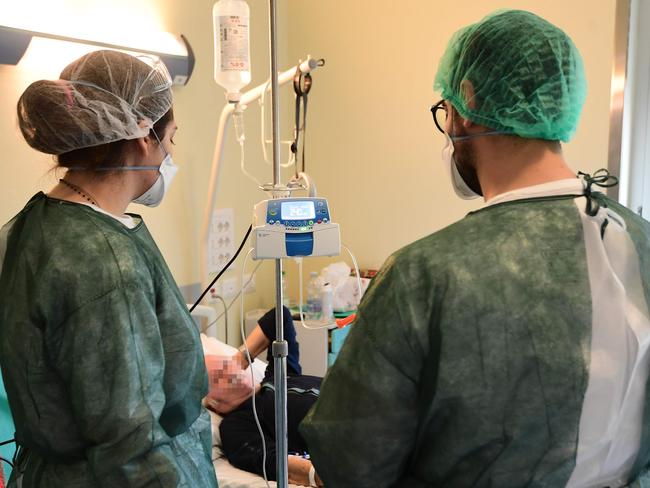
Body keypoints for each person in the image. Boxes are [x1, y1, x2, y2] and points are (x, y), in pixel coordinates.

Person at [300, 9, 650, 488]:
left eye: (444, 111)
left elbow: (350, 467)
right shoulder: (643, 247)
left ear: (465, 102)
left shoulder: (423, 277)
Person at [0, 50, 217, 487]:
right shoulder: (104, 259)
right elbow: (131, 444)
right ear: (142, 135)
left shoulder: (35, 225)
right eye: (170, 138)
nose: (170, 153)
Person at [204, 307, 324, 487]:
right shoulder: (236, 426)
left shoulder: (278, 373)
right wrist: (319, 475)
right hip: (353, 431)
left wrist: (242, 357)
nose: (229, 370)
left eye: (226, 363)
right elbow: (272, 461)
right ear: (214, 404)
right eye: (219, 375)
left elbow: (279, 316)